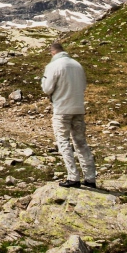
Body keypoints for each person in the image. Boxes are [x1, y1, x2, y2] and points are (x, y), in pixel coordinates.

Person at [41, 40, 96, 188]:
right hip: (78, 108)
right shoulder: (77, 65)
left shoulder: (53, 66)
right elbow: (83, 85)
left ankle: (73, 177)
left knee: (63, 141)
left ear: (53, 52)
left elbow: (47, 88)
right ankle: (90, 178)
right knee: (81, 142)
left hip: (61, 109)